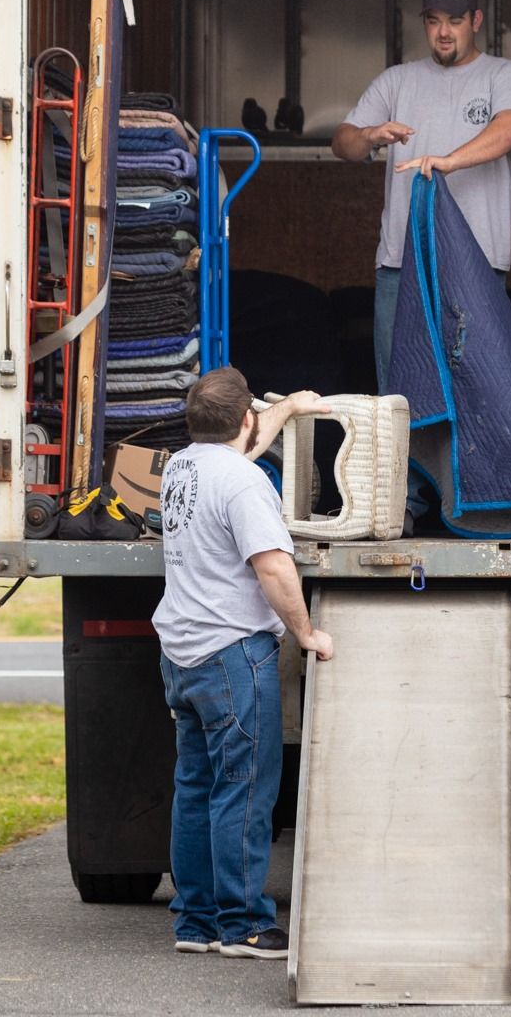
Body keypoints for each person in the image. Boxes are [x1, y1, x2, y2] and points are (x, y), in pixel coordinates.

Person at [151, 367, 333, 960]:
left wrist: (287, 410)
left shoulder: (180, 467)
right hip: (231, 653)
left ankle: (194, 922)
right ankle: (245, 925)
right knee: (244, 791)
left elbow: (240, 448)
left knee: (195, 786)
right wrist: (307, 635)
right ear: (245, 418)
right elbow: (275, 568)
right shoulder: (247, 485)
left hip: (181, 654)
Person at [331, 0, 511, 394]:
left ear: (476, 20)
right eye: (434, 20)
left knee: (481, 392)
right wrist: (370, 135)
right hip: (401, 263)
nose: (443, 32)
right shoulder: (397, 80)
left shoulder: (504, 74)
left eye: (455, 20)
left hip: (476, 261)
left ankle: (469, 465)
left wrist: (449, 161)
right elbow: (342, 142)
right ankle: (402, 465)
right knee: (399, 394)